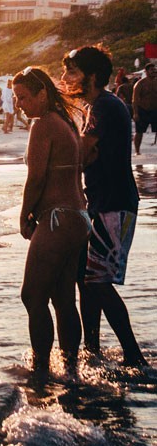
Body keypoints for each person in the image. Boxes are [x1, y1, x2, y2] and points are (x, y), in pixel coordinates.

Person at [63, 45, 147, 367]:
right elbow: (87, 154)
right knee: (87, 279)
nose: (65, 78)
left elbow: (82, 154)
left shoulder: (104, 107)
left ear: (92, 77)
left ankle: (134, 357)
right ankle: (92, 350)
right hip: (102, 202)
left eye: (72, 72)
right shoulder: (97, 106)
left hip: (114, 204)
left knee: (96, 282)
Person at [12, 66, 89, 379]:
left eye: (24, 97)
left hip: (56, 219)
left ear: (42, 93)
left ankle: (41, 369)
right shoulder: (66, 122)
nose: (19, 104)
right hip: (79, 219)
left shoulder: (44, 125)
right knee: (63, 299)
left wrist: (24, 215)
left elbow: (37, 177)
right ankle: (71, 370)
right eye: (17, 98)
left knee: (32, 296)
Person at [131, 63, 157, 155]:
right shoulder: (140, 84)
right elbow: (135, 99)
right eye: (152, 70)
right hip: (143, 110)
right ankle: (137, 151)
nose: (154, 72)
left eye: (155, 70)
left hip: (155, 110)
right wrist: (135, 113)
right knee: (139, 131)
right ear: (146, 72)